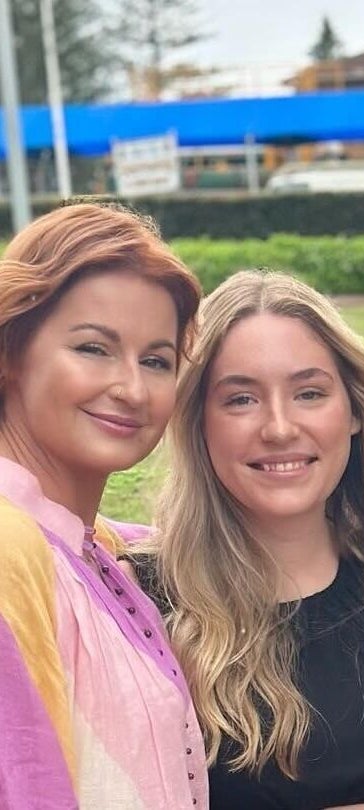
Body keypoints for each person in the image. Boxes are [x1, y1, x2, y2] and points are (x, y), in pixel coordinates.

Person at [133, 269, 364, 810]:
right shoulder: (142, 608)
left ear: (353, 411)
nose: (279, 427)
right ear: (198, 421)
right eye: (241, 400)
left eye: (309, 394)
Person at [0, 203, 208, 808]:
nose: (132, 388)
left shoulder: (97, 548)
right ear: (11, 351)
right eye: (93, 348)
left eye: (156, 361)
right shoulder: (10, 550)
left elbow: (227, 536)